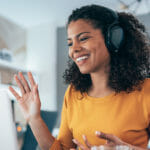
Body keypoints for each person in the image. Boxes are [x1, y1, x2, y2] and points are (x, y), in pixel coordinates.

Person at [9, 4, 150, 150]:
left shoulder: (146, 90)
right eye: (70, 43)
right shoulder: (73, 93)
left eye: (83, 39)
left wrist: (128, 149)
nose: (74, 49)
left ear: (114, 38)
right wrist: (34, 119)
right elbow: (62, 148)